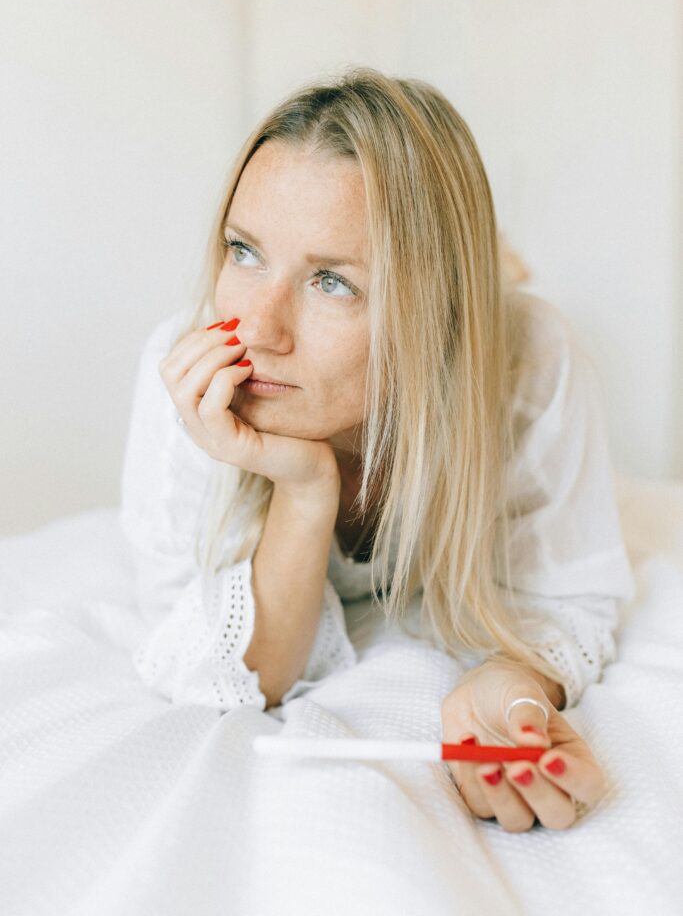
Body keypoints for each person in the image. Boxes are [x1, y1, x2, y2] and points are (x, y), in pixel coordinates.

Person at [119, 67, 635, 833]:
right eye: (243, 250)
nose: (256, 328)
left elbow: (572, 597)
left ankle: (487, 266)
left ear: (435, 308)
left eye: (331, 282)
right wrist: (302, 485)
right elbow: (238, 675)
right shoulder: (189, 370)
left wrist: (511, 682)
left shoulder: (529, 363)